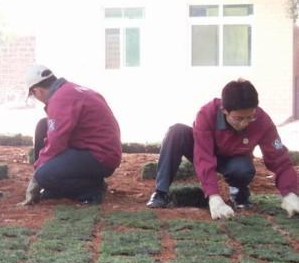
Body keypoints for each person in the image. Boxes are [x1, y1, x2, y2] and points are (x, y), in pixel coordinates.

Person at [146, 79, 299, 219]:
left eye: (249, 117)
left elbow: (279, 159)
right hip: (205, 150)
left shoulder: (262, 121)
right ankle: (161, 192)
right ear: (224, 110)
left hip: (235, 159)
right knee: (176, 132)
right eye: (239, 118)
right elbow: (203, 157)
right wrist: (213, 197)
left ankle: (239, 192)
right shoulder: (206, 114)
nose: (245, 123)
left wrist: (290, 192)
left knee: (243, 169)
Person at [20, 64, 122, 205]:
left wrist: (37, 176)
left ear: (37, 91)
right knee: (43, 125)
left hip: (99, 156)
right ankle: (64, 186)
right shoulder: (68, 90)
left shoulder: (59, 99)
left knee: (44, 175)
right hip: (99, 151)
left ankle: (91, 190)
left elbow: (55, 144)